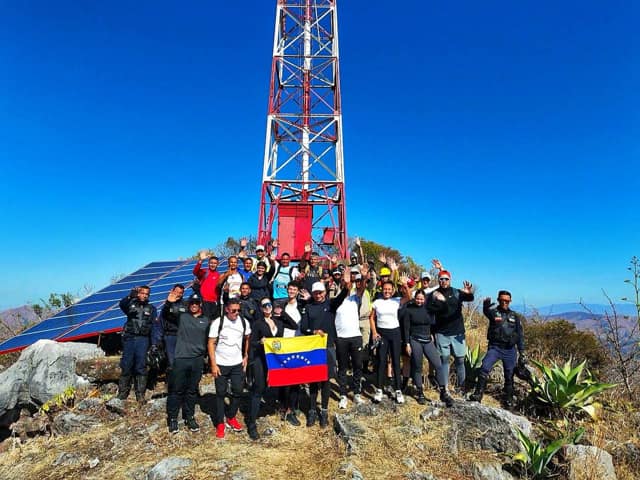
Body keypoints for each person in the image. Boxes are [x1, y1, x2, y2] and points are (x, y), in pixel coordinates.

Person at [246, 298, 298, 440]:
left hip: (276, 359)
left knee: (284, 385)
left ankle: (285, 412)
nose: (268, 307)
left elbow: (294, 326)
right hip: (261, 360)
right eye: (265, 305)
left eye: (270, 304)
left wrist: (283, 313)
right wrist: (260, 342)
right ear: (261, 308)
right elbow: (252, 344)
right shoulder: (257, 324)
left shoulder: (279, 321)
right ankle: (251, 423)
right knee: (259, 389)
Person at [300, 281, 349, 427]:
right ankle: (312, 411)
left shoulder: (331, 304)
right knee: (314, 380)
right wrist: (313, 332)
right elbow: (303, 327)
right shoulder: (308, 307)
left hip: (328, 347)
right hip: (314, 348)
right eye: (316, 293)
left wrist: (346, 284)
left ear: (325, 293)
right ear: (313, 294)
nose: (318, 295)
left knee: (326, 380)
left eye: (321, 292)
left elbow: (343, 295)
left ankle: (324, 411)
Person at [469, 291, 526, 407]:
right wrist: (485, 305)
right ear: (498, 300)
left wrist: (522, 352)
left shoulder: (515, 316)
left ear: (510, 301)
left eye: (507, 301)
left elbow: (520, 335)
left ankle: (508, 399)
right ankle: (478, 394)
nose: (504, 302)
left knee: (509, 375)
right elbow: (486, 312)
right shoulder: (494, 312)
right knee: (484, 367)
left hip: (510, 350)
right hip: (495, 347)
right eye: (502, 300)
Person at [163, 293, 210, 433]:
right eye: (192, 303)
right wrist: (168, 303)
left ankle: (189, 417)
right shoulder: (182, 317)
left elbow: (210, 340)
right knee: (177, 390)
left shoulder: (206, 320)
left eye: (196, 303)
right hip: (182, 358)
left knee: (191, 390)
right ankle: (172, 419)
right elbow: (166, 315)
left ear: (200, 304)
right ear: (188, 305)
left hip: (197, 360)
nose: (194, 305)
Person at [400, 290, 453, 407]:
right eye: (417, 299)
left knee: (438, 364)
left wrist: (442, 299)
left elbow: (443, 310)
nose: (419, 301)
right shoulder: (410, 310)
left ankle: (443, 392)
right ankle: (420, 393)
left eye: (421, 299)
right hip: (415, 340)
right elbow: (406, 328)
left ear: (425, 299)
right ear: (414, 298)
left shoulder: (429, 308)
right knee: (417, 366)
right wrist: (407, 344)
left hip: (428, 340)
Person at [207, 298, 251, 439]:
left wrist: (246, 355)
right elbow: (211, 343)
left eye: (238, 310)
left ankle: (231, 416)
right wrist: (213, 364)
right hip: (221, 364)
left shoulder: (243, 322)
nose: (236, 313)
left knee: (238, 391)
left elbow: (247, 338)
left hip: (237, 364)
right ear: (227, 309)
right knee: (220, 393)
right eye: (233, 310)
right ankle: (220, 422)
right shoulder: (218, 323)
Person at [427, 270, 474, 396]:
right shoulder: (433, 295)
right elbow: (429, 311)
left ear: (450, 280)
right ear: (438, 280)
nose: (443, 281)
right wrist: (431, 332)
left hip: (458, 332)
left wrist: (469, 293)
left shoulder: (456, 292)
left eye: (446, 279)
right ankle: (445, 387)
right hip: (441, 333)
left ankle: (461, 387)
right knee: (444, 360)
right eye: (441, 279)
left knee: (460, 360)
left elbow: (469, 298)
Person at [369, 279, 411, 404]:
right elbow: (371, 318)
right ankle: (379, 390)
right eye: (385, 289)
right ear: (382, 290)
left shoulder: (397, 300)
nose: (386, 291)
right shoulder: (377, 302)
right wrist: (375, 332)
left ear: (392, 291)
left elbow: (408, 297)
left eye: (389, 289)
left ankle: (398, 390)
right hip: (382, 334)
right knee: (381, 361)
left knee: (396, 362)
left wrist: (404, 285)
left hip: (395, 333)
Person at [117, 285, 157, 403]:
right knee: (126, 365)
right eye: (142, 293)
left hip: (143, 340)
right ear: (138, 294)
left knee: (141, 366)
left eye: (147, 294)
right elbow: (122, 304)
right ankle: (123, 393)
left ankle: (140, 394)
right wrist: (130, 296)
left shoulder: (152, 309)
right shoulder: (130, 305)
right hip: (129, 338)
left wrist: (154, 343)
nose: (144, 295)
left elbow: (154, 327)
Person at [277, 281, 307, 424]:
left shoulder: (302, 305)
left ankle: (292, 408)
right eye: (290, 288)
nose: (291, 291)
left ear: (298, 291)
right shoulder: (281, 305)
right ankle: (284, 407)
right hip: (284, 344)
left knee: (296, 379)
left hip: (298, 343)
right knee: (284, 378)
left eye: (294, 289)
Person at [334, 275, 366, 408]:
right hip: (341, 338)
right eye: (343, 282)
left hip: (355, 337)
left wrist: (363, 276)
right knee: (342, 367)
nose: (346, 284)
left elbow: (363, 288)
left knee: (358, 365)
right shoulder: (335, 301)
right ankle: (342, 395)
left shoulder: (355, 298)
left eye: (348, 283)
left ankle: (357, 393)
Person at [160, 284, 187, 368]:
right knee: (171, 361)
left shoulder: (186, 304)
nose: (178, 294)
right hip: (170, 335)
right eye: (176, 292)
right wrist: (168, 302)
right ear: (172, 291)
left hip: (182, 336)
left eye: (180, 293)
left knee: (182, 359)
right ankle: (172, 380)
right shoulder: (168, 304)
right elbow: (164, 314)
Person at [193, 251, 221, 319]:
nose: (213, 265)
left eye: (215, 263)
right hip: (204, 302)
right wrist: (201, 261)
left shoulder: (219, 275)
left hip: (214, 303)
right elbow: (195, 272)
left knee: (214, 322)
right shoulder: (205, 272)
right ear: (208, 263)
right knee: (205, 321)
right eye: (211, 263)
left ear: (218, 264)